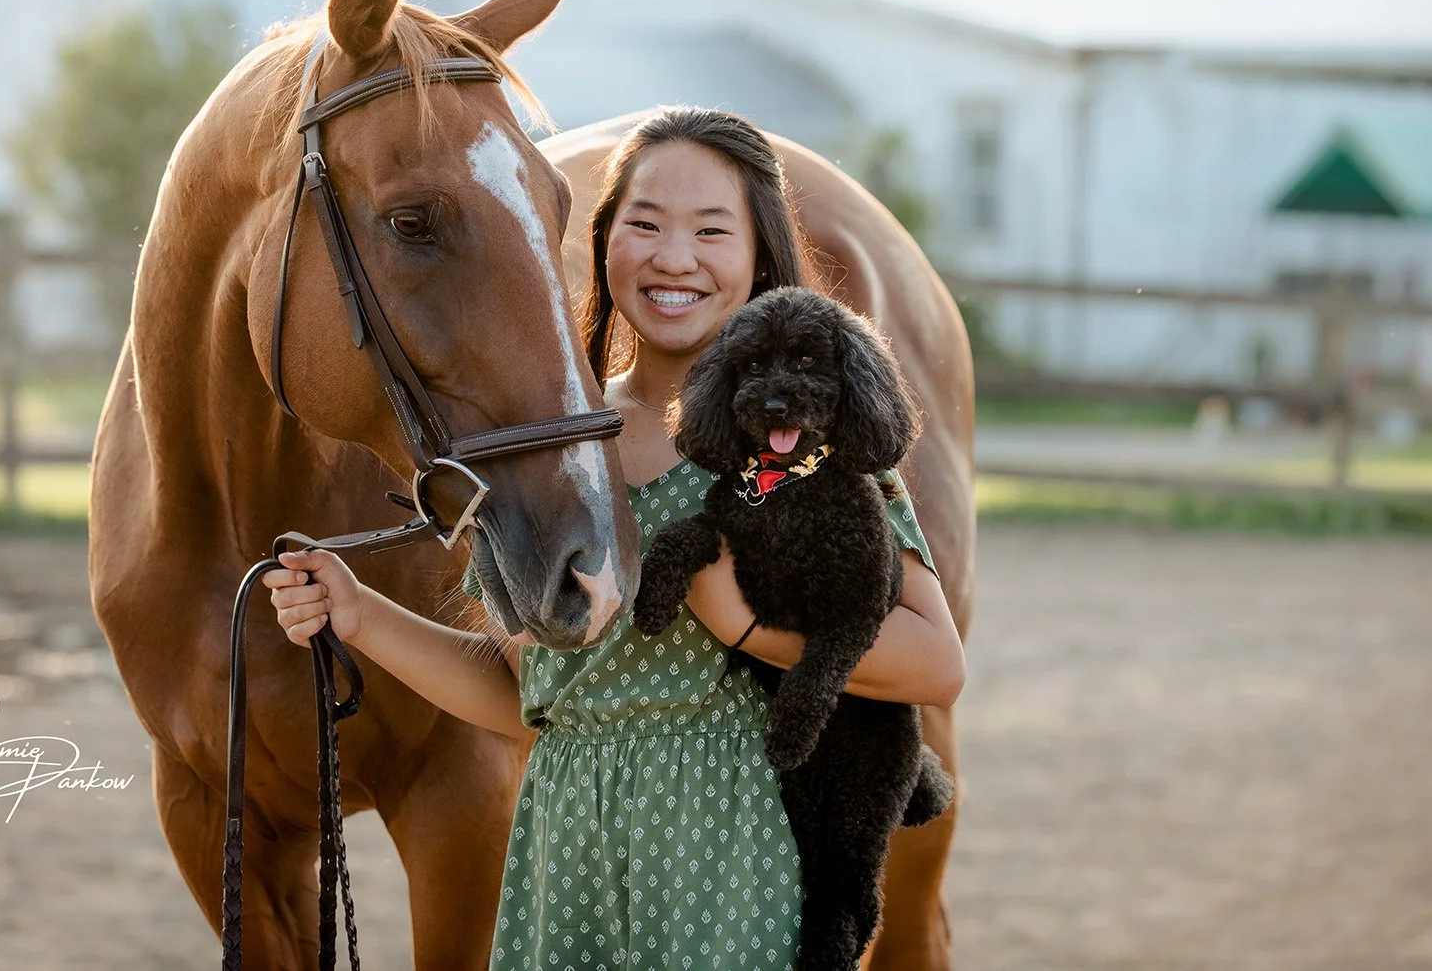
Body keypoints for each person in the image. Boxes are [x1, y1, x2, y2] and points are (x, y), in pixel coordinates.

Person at [264, 107, 965, 968]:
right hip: (569, 857)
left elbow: (937, 664)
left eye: (712, 230)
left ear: (757, 255)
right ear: (601, 243)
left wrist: (743, 624)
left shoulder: (807, 441)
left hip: (736, 852)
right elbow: (530, 694)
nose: (676, 257)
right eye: (645, 225)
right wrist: (361, 617)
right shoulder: (554, 449)